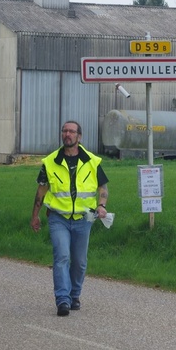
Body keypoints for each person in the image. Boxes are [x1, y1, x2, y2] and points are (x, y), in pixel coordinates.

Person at [31, 121, 109, 316]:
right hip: (59, 218)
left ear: (79, 136)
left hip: (84, 219)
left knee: (80, 261)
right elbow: (40, 191)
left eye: (72, 131)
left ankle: (75, 295)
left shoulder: (92, 161)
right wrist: (35, 216)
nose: (67, 134)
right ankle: (62, 300)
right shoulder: (50, 162)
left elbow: (103, 188)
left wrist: (101, 205)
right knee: (62, 257)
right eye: (65, 131)